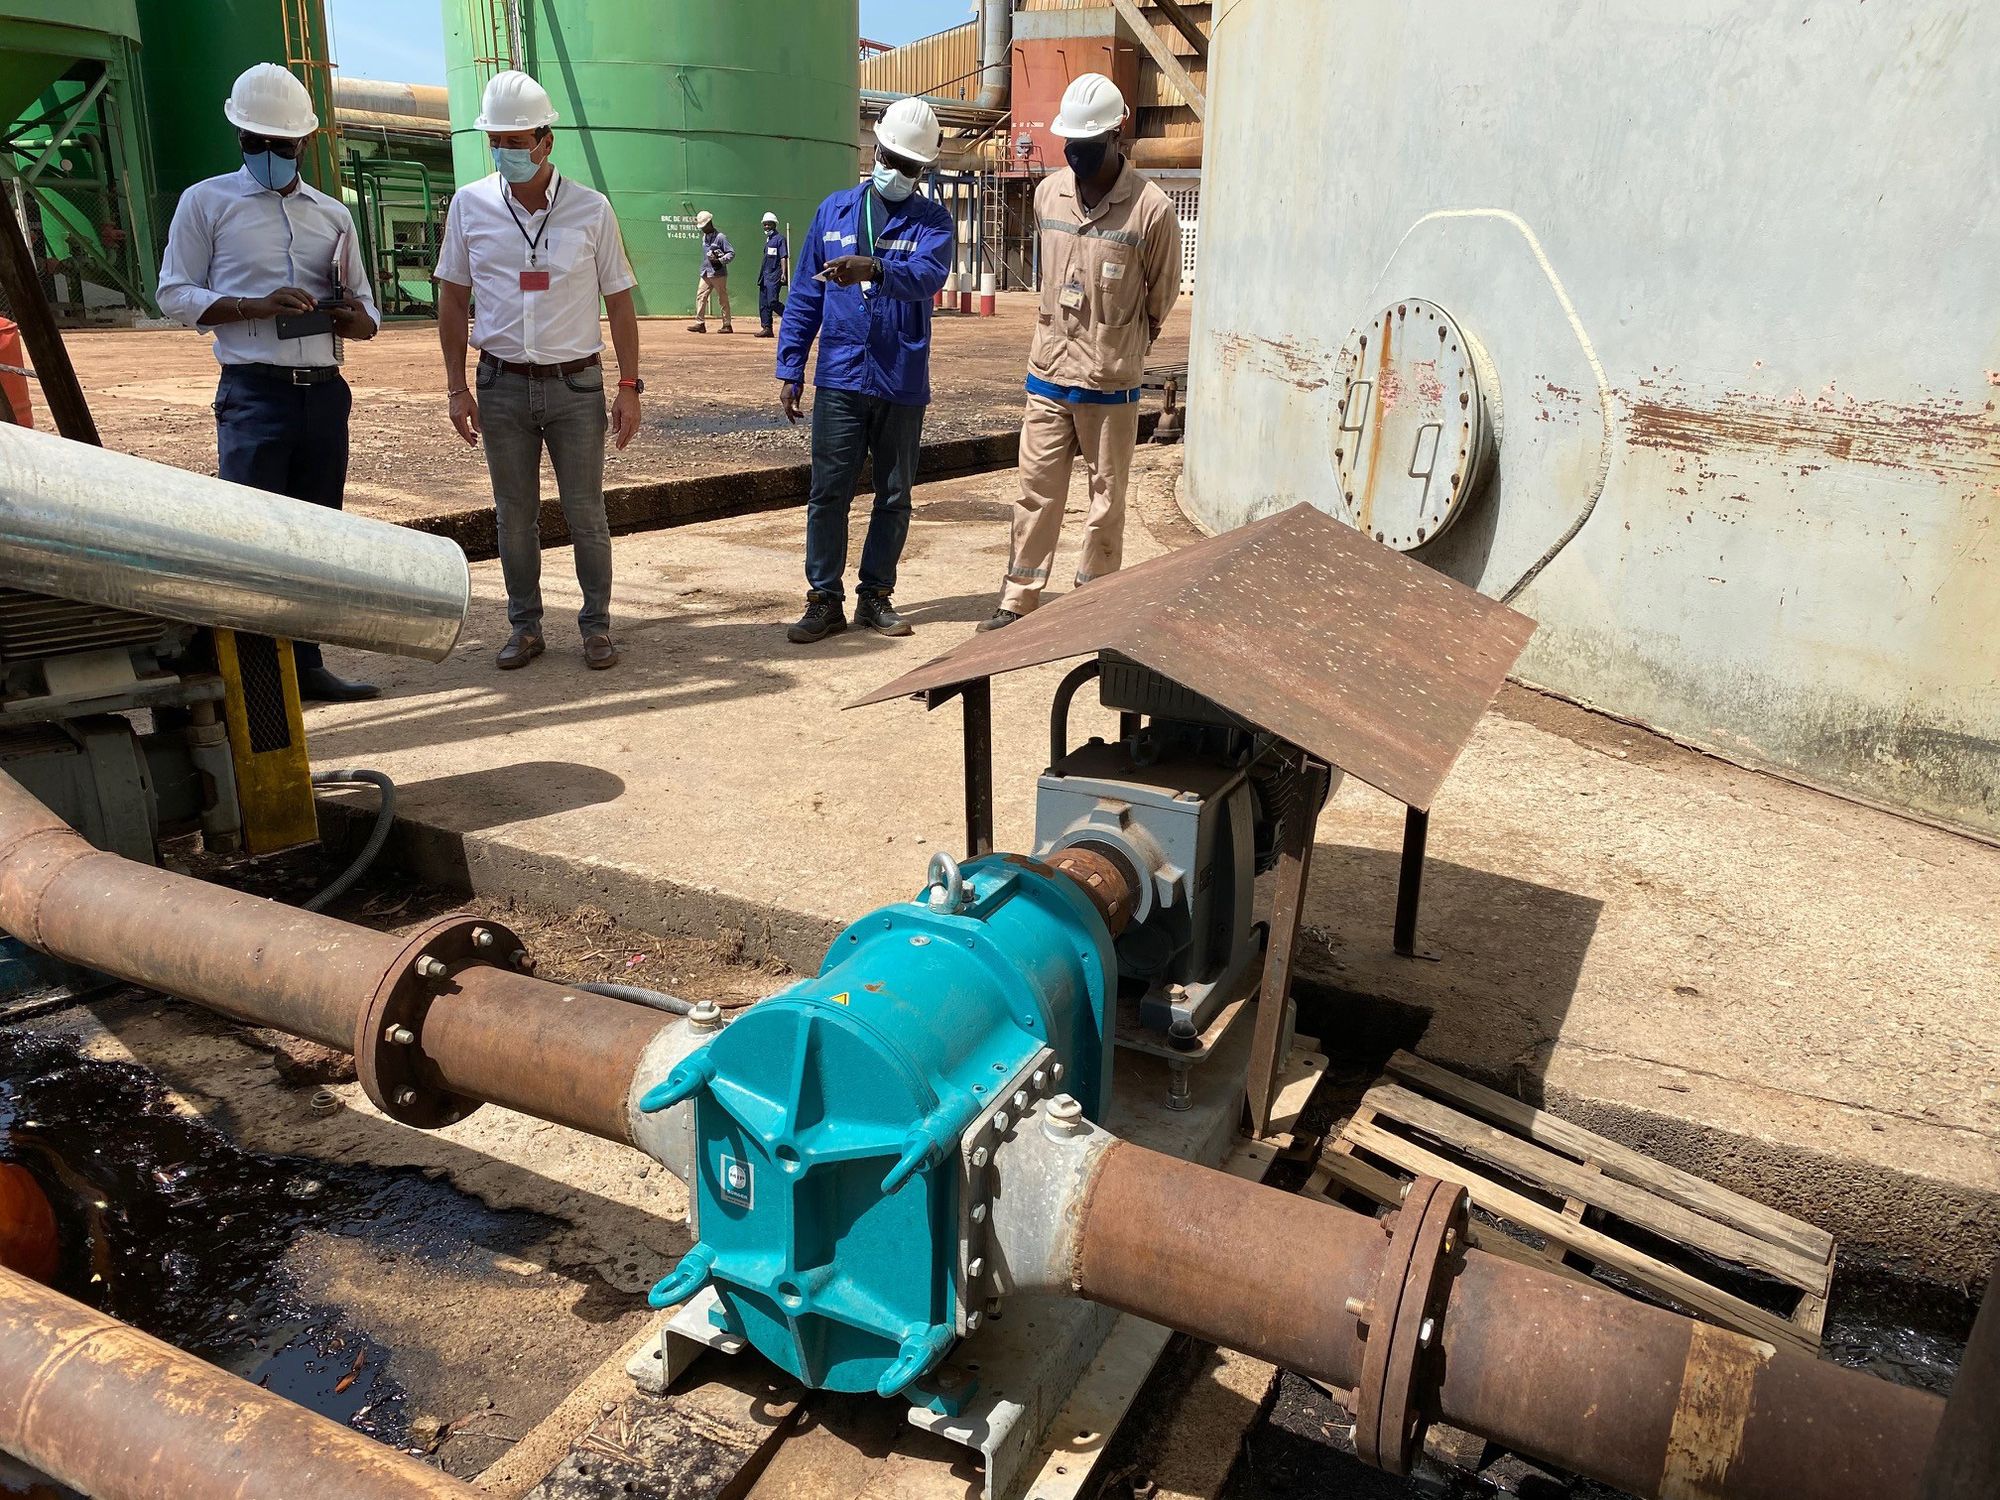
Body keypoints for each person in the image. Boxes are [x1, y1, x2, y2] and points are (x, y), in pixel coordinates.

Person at [156, 64, 382, 703]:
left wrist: (343, 314)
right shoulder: (206, 203)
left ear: (303, 145)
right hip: (254, 393)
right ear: (238, 140)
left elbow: (367, 315)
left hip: (323, 392)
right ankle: (258, 676)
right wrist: (255, 306)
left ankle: (306, 667)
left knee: (316, 535)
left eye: (280, 146)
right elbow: (174, 293)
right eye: (256, 144)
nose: (268, 156)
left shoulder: (333, 216)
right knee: (252, 538)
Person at [434, 70, 644, 672]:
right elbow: (451, 298)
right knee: (514, 516)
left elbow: (620, 300)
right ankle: (525, 627)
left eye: (515, 141)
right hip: (499, 384)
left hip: (576, 385)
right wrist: (455, 388)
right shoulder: (470, 205)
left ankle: (596, 626)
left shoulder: (591, 209)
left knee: (586, 513)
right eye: (495, 141)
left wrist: (629, 387)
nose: (505, 152)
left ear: (546, 141)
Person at [980, 74, 1180, 631]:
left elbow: (1160, 297)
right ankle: (1017, 599)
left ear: (1118, 137)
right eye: (1068, 144)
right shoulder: (1049, 194)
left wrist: (1122, 343)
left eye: (1086, 147)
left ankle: (1094, 605)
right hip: (1048, 373)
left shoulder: (1152, 211)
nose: (1075, 155)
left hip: (1110, 377)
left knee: (1106, 498)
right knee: (1034, 492)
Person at [775, 96, 954, 643]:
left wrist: (874, 266)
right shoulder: (834, 212)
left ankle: (875, 595)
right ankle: (823, 598)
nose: (895, 172)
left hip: (900, 376)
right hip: (840, 376)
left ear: (922, 170)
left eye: (908, 166)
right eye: (889, 158)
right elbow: (806, 292)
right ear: (874, 149)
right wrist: (791, 365)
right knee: (828, 491)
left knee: (894, 493)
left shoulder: (933, 221)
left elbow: (926, 276)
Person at [688, 211, 733, 333]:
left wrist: (720, 260)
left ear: (709, 223)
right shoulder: (704, 238)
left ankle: (727, 325)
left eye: (704, 226)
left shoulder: (720, 237)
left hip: (718, 273)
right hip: (706, 272)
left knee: (722, 298)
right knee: (701, 296)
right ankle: (700, 323)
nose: (702, 229)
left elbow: (731, 253)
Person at [755, 211, 787, 339]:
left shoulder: (780, 239)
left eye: (769, 224)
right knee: (763, 303)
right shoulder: (768, 240)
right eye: (765, 224)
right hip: (765, 276)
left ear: (774, 225)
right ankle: (767, 328)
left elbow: (784, 257)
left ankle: (791, 317)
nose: (767, 226)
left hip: (774, 275)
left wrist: (784, 273)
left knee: (772, 301)